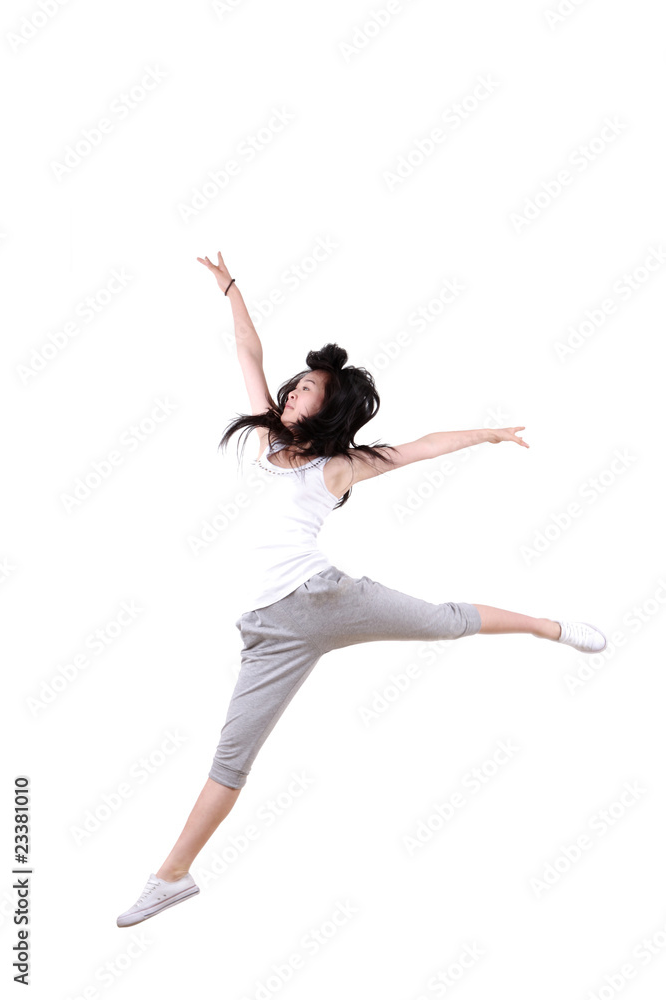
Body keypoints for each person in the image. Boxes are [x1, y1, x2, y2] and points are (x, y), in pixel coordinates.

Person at [116, 251, 606, 928]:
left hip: (323, 597)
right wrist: (230, 287)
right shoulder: (267, 441)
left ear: (331, 406)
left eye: (307, 391)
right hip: (266, 630)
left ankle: (549, 626)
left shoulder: (338, 465)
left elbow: (420, 447)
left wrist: (485, 433)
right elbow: (247, 350)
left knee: (442, 621)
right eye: (293, 387)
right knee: (231, 758)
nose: (291, 394)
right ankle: (171, 877)